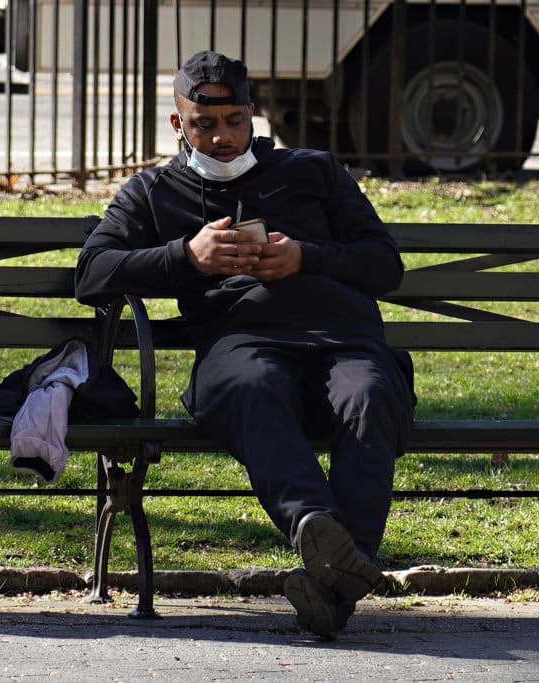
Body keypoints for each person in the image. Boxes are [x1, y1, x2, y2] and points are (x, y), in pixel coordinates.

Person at [75, 50, 416, 639]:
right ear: (178, 123)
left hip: (343, 338)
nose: (223, 137)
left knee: (370, 393)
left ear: (252, 114)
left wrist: (306, 256)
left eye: (235, 121)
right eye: (204, 125)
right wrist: (187, 256)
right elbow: (92, 272)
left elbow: (385, 264)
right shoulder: (156, 190)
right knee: (253, 386)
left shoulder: (314, 170)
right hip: (241, 346)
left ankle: (330, 580)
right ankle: (315, 526)